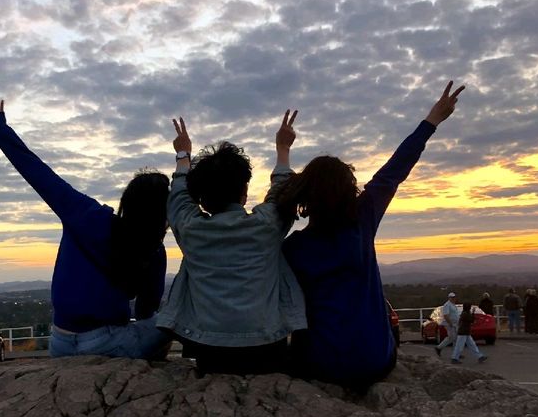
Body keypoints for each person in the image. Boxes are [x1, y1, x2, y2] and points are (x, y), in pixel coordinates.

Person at [277, 81, 465, 389]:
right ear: (348, 190)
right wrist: (432, 120)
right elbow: (394, 170)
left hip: (319, 366)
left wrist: (282, 152)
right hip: (375, 362)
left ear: (305, 197)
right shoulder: (361, 221)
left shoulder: (293, 248)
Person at [0, 100, 171, 359]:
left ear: (127, 200)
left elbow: (38, 173)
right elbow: (145, 312)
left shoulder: (84, 214)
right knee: (169, 323)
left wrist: (0, 127)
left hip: (60, 342)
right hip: (108, 343)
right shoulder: (152, 249)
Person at [157, 112, 307, 374]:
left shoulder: (192, 230)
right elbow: (282, 190)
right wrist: (283, 148)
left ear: (201, 199)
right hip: (267, 343)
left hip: (208, 345)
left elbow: (179, 196)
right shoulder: (267, 226)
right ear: (244, 192)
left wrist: (183, 155)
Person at [435, 292, 460, 357]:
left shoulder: (453, 305)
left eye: (454, 297)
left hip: (454, 324)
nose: (453, 298)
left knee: (455, 338)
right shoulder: (447, 305)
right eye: (452, 297)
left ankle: (456, 353)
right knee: (452, 337)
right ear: (449, 298)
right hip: (449, 324)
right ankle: (439, 348)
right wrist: (450, 323)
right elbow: (446, 315)